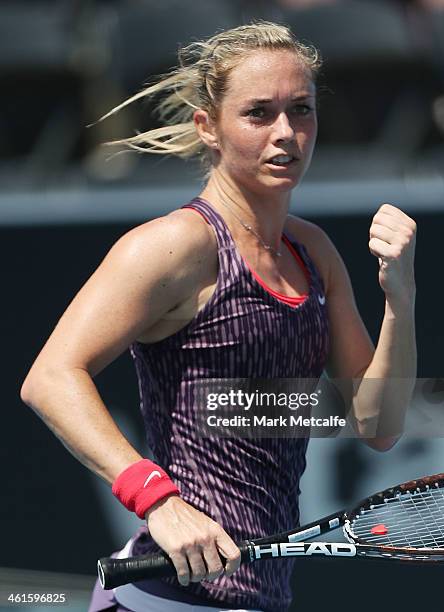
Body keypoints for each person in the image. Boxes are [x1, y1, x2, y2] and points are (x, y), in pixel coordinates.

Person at [20, 21, 417, 612]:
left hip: (259, 598)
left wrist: (400, 299)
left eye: (301, 110)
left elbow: (378, 424)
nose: (286, 134)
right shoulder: (175, 245)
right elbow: (49, 379)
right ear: (208, 126)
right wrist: (158, 500)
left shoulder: (315, 252)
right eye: (259, 113)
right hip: (164, 598)